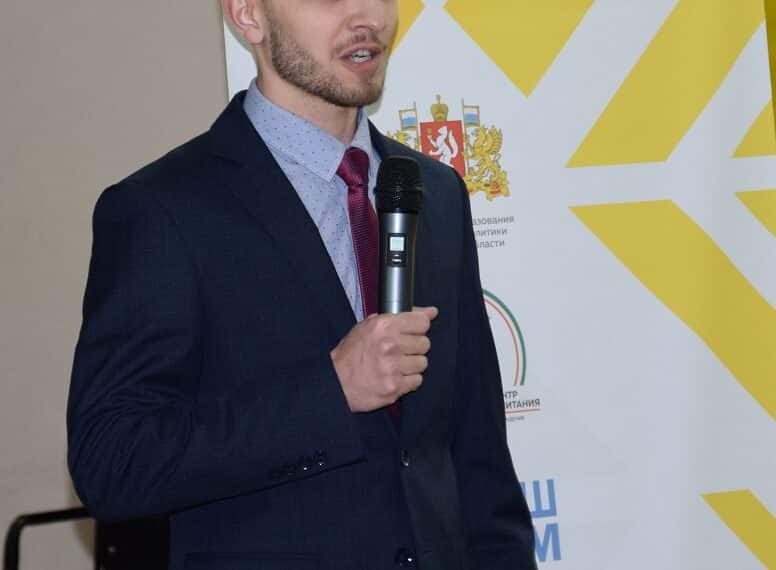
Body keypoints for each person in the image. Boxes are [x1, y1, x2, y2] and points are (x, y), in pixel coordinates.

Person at [66, 0, 537, 568]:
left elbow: (480, 459)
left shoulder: (434, 191)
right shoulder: (163, 209)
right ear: (248, 15)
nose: (367, 16)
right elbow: (112, 463)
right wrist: (330, 393)